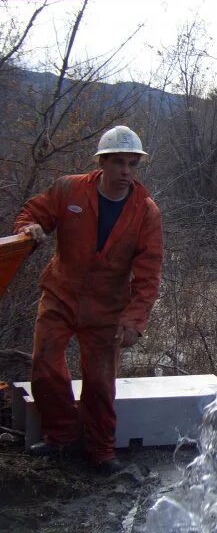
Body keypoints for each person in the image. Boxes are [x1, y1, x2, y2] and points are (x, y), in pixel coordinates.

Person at [14, 125, 163, 474]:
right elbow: (34, 214)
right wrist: (28, 228)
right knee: (46, 367)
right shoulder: (70, 189)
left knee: (99, 383)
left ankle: (100, 451)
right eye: (118, 163)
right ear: (102, 163)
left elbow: (148, 273)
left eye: (132, 164)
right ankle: (62, 439)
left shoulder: (145, 211)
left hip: (106, 308)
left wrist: (133, 320)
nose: (126, 172)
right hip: (60, 295)